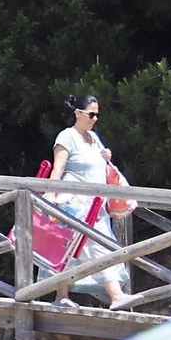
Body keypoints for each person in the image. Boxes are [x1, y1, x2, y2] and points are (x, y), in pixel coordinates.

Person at [44, 94, 129, 308]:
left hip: (95, 206)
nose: (95, 118)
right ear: (77, 113)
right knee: (67, 248)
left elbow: (98, 165)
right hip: (73, 204)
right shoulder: (66, 136)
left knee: (102, 246)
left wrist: (106, 157)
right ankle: (61, 296)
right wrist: (51, 193)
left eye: (97, 115)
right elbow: (58, 167)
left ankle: (116, 296)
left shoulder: (93, 137)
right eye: (91, 114)